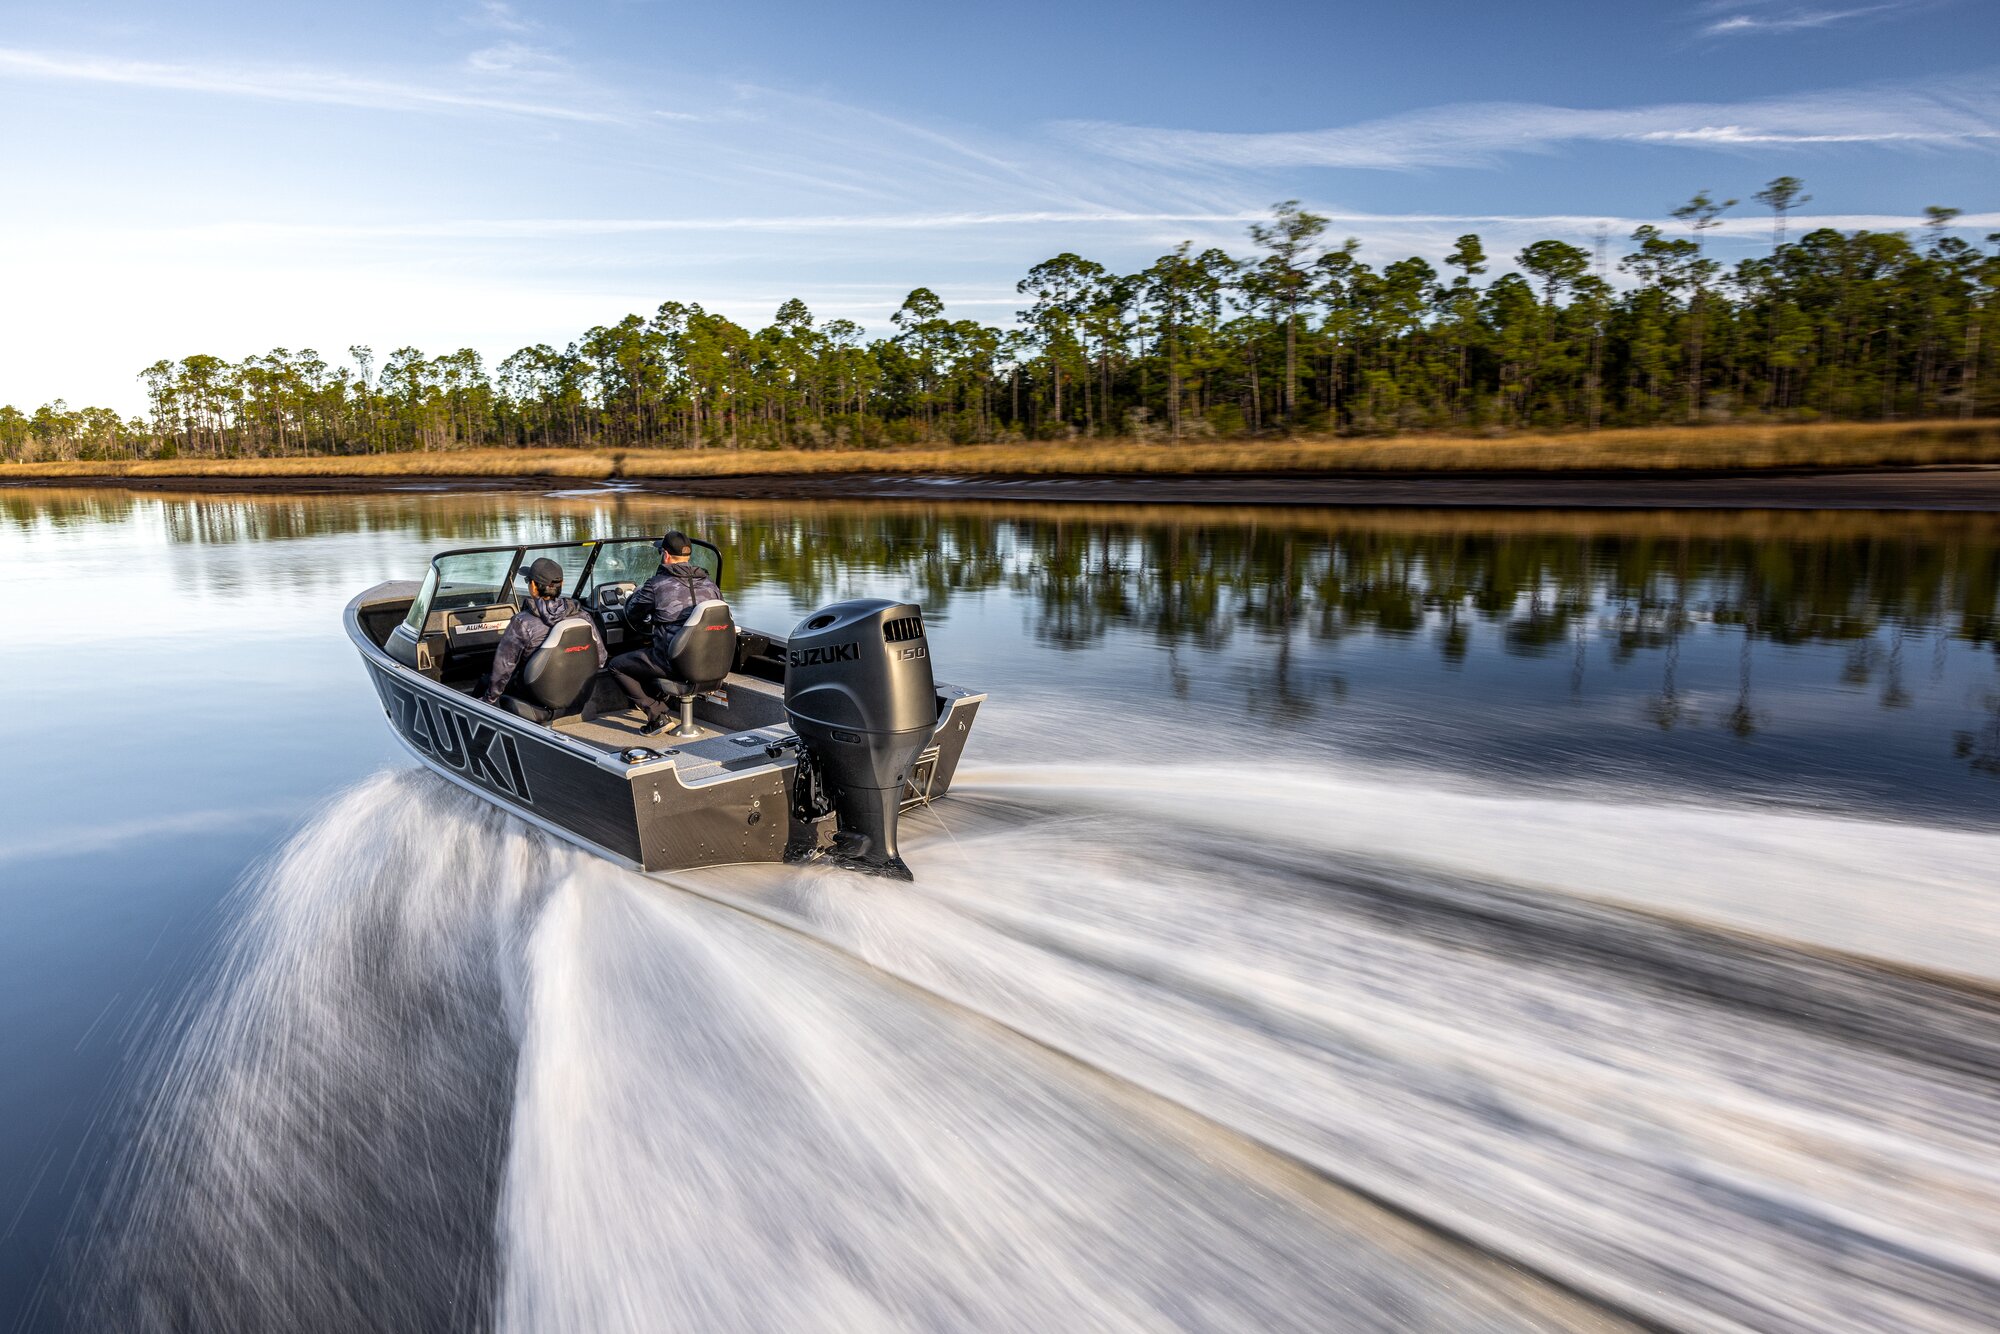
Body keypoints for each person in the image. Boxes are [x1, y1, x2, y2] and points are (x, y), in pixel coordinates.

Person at [609, 529, 724, 735]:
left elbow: (631, 614)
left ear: (666, 554)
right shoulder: (710, 585)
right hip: (712, 662)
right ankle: (663, 703)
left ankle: (657, 716)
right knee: (648, 655)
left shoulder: (657, 585)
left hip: (674, 664)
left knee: (617, 665)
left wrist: (636, 596)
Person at [481, 557, 607, 716]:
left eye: (528, 581)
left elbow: (503, 669)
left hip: (534, 697)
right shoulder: (583, 616)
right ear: (561, 585)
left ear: (533, 587)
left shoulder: (522, 622)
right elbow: (601, 659)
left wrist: (489, 700)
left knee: (487, 681)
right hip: (577, 696)